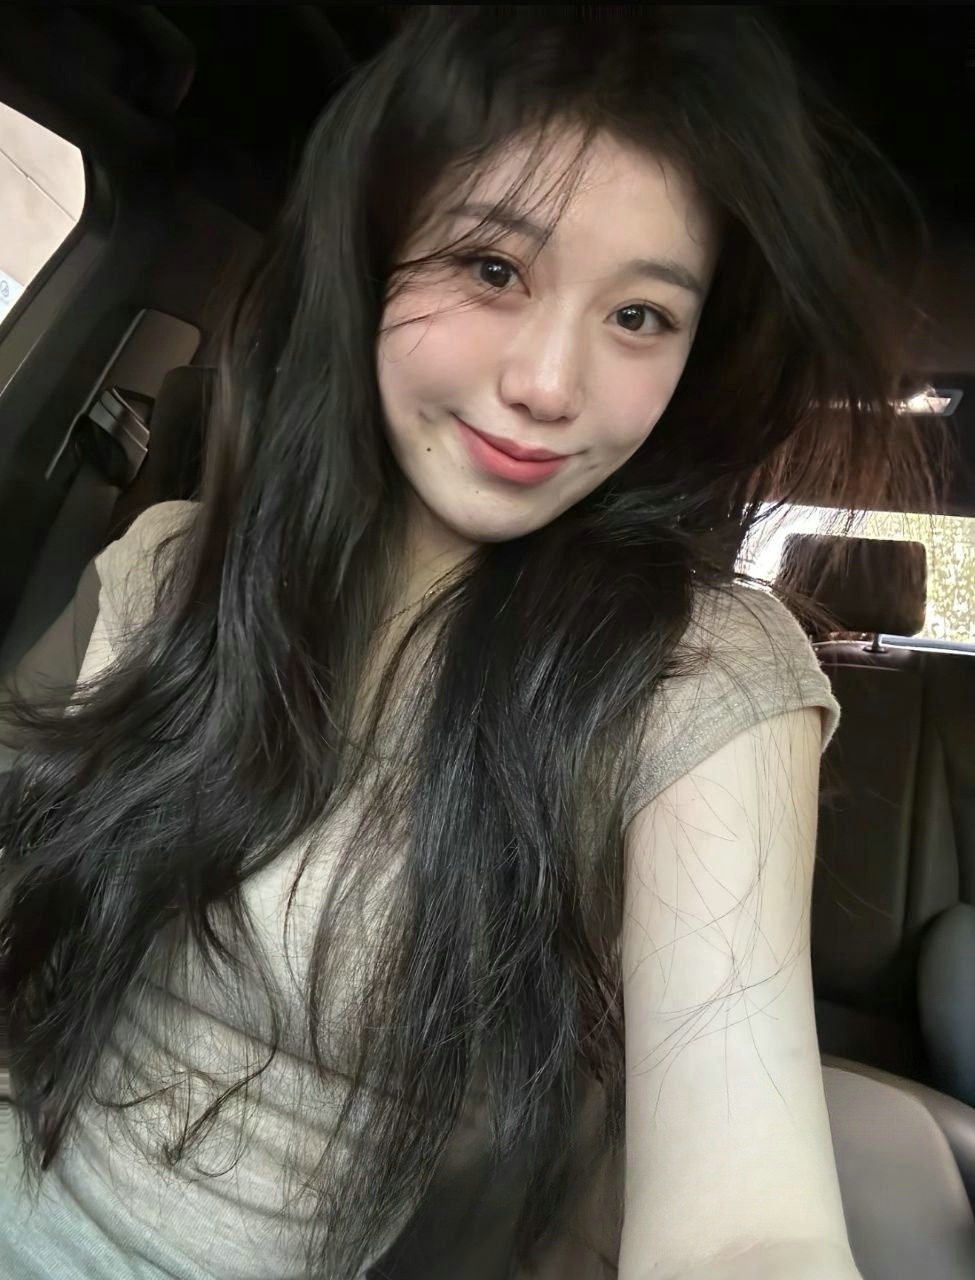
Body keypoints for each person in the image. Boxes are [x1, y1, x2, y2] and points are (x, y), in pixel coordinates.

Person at [0, 5, 945, 1279]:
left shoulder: (696, 673)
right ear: (370, 261)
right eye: (493, 269)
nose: (549, 383)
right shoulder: (171, 565)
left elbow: (745, 1228)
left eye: (640, 316)